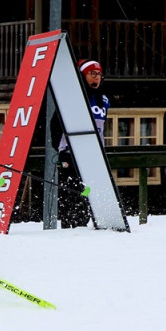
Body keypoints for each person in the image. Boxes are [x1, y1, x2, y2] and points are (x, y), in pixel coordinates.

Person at [54, 59, 110, 228]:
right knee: (70, 192)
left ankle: (84, 226)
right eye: (92, 74)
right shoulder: (71, 97)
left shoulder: (104, 100)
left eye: (99, 74)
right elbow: (54, 125)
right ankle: (69, 227)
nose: (97, 78)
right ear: (83, 75)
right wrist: (61, 148)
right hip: (71, 153)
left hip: (94, 153)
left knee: (88, 191)